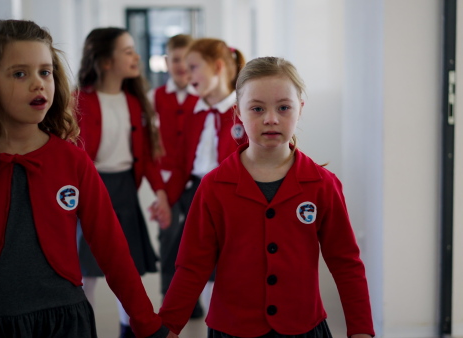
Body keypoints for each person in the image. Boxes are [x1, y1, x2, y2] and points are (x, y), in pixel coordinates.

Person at [0, 19, 174, 338]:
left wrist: (146, 322)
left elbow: (112, 249)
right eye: (19, 73)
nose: (38, 84)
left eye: (45, 72)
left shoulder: (72, 160)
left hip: (66, 323)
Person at [159, 57, 375, 338]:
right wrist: (169, 326)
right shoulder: (214, 186)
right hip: (232, 329)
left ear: (300, 110)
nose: (271, 118)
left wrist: (361, 330)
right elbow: (191, 266)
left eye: (284, 107)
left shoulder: (322, 185)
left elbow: (346, 263)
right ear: (238, 113)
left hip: (303, 328)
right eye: (257, 108)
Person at [74, 27, 171, 337]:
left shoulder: (136, 102)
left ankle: (130, 330)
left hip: (125, 191)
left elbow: (149, 154)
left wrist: (161, 193)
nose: (136, 56)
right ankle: (79, 329)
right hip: (89, 192)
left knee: (127, 271)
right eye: (128, 50)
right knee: (82, 272)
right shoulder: (77, 100)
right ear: (104, 62)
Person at [163, 38, 248, 313]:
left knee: (226, 271)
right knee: (188, 264)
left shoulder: (244, 112)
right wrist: (166, 199)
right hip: (196, 197)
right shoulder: (192, 111)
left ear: (218, 66)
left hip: (232, 200)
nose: (187, 75)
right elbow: (181, 164)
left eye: (194, 67)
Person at [146, 34, 203, 316]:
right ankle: (169, 298)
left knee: (198, 239)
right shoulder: (154, 97)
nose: (182, 66)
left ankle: (195, 297)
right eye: (176, 59)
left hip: (198, 178)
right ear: (167, 62)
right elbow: (149, 144)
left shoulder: (203, 95)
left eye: (187, 60)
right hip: (168, 179)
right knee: (169, 236)